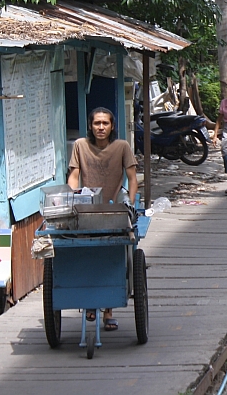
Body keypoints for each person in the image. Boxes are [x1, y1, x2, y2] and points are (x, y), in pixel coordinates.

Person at [67, 106, 137, 331]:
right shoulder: (80, 145)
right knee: (86, 255)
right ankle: (89, 302)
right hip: (87, 211)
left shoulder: (122, 146)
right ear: (90, 125)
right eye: (97, 123)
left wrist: (130, 204)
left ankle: (108, 311)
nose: (101, 127)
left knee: (114, 256)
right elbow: (74, 176)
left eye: (105, 123)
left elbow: (132, 178)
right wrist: (73, 199)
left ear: (112, 126)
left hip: (113, 211)